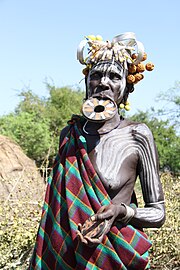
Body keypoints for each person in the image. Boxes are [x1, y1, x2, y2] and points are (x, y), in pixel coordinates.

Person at [29, 32, 165, 270]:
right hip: (65, 258)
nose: (103, 82)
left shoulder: (137, 135)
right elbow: (56, 212)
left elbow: (158, 213)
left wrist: (119, 212)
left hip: (112, 257)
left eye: (114, 76)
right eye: (96, 75)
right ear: (86, 83)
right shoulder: (69, 135)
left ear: (126, 89)